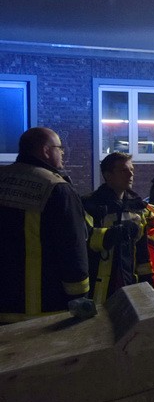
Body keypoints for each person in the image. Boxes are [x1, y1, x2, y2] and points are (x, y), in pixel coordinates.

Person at [0, 127, 90, 322]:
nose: (62, 153)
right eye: (60, 148)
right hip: (42, 308)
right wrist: (80, 297)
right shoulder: (56, 188)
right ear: (46, 151)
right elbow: (72, 246)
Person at [83, 152, 154, 304]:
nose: (130, 174)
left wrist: (147, 280)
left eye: (132, 170)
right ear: (108, 175)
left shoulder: (137, 207)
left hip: (128, 283)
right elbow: (84, 240)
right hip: (97, 286)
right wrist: (115, 234)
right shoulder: (90, 205)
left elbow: (142, 251)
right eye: (124, 170)